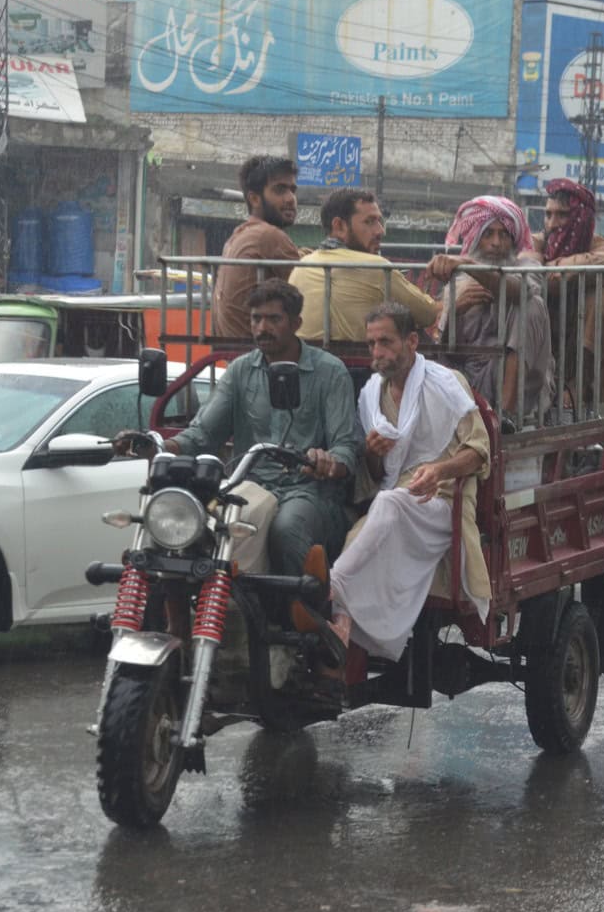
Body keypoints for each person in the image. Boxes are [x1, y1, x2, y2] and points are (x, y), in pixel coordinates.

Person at [118, 279, 359, 576]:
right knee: (185, 525)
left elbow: (346, 445)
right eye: (256, 319)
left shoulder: (329, 372)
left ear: (296, 322)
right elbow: (203, 434)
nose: (262, 328)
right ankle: (179, 619)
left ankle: (301, 613)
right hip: (248, 486)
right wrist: (156, 445)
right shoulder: (240, 371)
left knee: (285, 529)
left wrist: (328, 463)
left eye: (274, 319)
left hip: (309, 492)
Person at [328, 304, 492, 661]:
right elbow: (374, 474)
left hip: (442, 503)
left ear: (412, 341)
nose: (377, 352)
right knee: (360, 532)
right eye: (371, 344)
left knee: (388, 505)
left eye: (385, 342)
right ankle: (343, 619)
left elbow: (480, 452)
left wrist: (440, 470)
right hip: (398, 498)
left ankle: (332, 585)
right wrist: (372, 453)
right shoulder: (372, 394)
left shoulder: (446, 384)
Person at [426, 195, 553, 423]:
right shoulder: (458, 281)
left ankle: (507, 414)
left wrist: (471, 266)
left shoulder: (526, 267)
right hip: (470, 377)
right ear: (476, 239)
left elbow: (519, 291)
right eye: (488, 234)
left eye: (503, 234)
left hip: (520, 381)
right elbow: (445, 349)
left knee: (532, 305)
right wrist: (454, 312)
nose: (496, 242)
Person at [290, 188, 439, 342]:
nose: (380, 231)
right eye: (369, 222)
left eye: (379, 222)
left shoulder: (303, 265)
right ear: (339, 226)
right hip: (362, 364)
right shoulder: (377, 267)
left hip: (306, 361)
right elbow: (427, 315)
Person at [538, 178, 604, 409]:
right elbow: (530, 270)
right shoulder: (536, 242)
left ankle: (575, 387)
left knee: (603, 300)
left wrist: (553, 269)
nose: (552, 223)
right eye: (548, 214)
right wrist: (584, 270)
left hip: (590, 366)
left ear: (580, 218)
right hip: (545, 350)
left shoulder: (602, 246)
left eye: (561, 215)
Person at [212, 156, 303, 340]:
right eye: (280, 190)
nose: (290, 199)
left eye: (292, 190)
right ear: (254, 198)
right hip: (259, 351)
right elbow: (309, 286)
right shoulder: (268, 235)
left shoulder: (239, 234)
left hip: (237, 350)